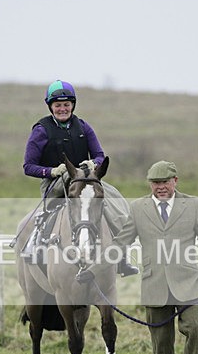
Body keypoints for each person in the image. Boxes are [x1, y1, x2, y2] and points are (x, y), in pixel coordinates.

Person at [78, 160, 198, 354]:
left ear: (175, 181)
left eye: (164, 182)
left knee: (194, 329)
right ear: (151, 184)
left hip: (189, 283)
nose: (160, 187)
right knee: (161, 342)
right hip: (155, 285)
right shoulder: (138, 208)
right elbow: (120, 244)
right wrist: (93, 270)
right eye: (155, 183)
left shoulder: (192, 205)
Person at [21, 80, 137, 276]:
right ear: (50, 106)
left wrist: (94, 164)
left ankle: (121, 257)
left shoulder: (83, 127)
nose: (62, 109)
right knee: (49, 213)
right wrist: (51, 171)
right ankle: (34, 245)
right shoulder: (41, 130)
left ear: (73, 105)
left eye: (66, 105)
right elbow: (28, 166)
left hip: (87, 179)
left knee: (112, 203)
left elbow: (99, 154)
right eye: (58, 105)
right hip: (56, 182)